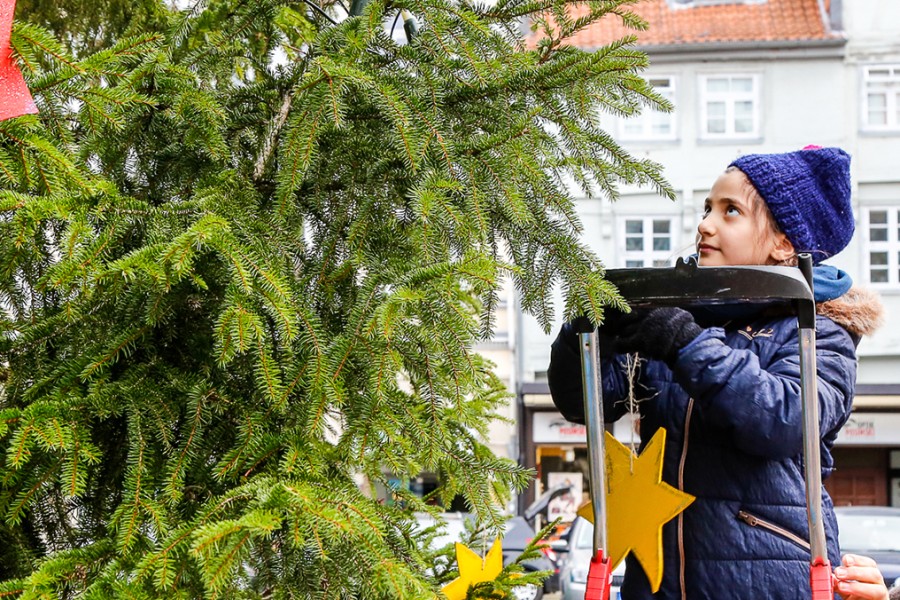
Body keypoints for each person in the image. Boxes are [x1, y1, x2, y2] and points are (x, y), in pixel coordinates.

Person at [548, 146, 885, 599]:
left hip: (769, 581)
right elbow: (585, 401)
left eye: (731, 211)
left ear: (784, 244)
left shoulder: (816, 332)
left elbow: (784, 420)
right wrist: (586, 332)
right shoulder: (675, 317)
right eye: (708, 208)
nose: (706, 223)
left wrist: (683, 341)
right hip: (658, 581)